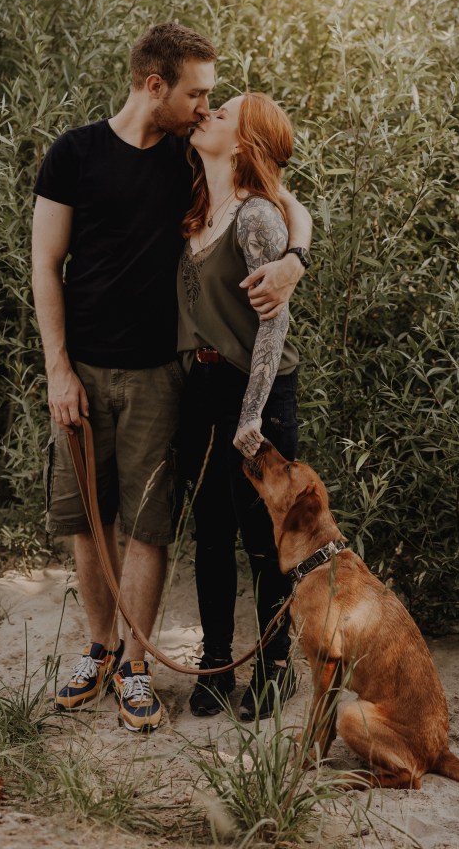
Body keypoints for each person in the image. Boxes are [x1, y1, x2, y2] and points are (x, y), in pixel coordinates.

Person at [31, 23, 311, 733]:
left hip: (164, 375)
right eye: (197, 93)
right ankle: (99, 648)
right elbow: (44, 266)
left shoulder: (191, 158)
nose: (203, 107)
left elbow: (285, 197)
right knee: (90, 517)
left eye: (211, 99)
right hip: (85, 374)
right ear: (155, 86)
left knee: (152, 524)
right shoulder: (77, 154)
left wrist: (295, 259)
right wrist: (58, 369)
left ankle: (135, 664)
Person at [178, 91, 306, 721]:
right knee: (209, 534)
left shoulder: (257, 217)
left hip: (257, 391)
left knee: (264, 538)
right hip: (202, 388)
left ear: (245, 144)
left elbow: (273, 326)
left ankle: (276, 666)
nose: (207, 115)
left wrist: (251, 415)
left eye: (221, 114)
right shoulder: (201, 206)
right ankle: (215, 663)